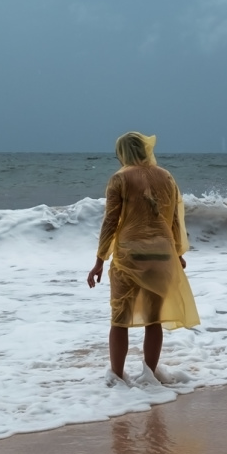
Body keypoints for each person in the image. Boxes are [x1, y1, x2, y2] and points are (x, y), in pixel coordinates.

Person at [87, 132, 200, 384]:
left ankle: (117, 376)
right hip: (161, 254)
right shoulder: (166, 176)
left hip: (130, 255)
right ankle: (150, 375)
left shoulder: (119, 179)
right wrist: (177, 254)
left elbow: (110, 222)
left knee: (120, 319)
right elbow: (173, 218)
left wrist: (99, 261)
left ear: (123, 153)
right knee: (153, 319)